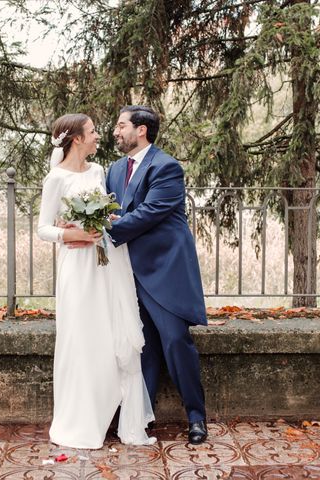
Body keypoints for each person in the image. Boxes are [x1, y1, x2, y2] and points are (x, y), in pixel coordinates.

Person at [37, 113, 156, 449]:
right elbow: (43, 228)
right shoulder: (56, 179)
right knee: (80, 336)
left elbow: (104, 213)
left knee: (105, 335)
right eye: (91, 132)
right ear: (76, 138)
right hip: (76, 265)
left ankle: (108, 413)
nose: (97, 136)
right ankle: (79, 420)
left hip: (104, 263)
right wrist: (71, 233)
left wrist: (107, 219)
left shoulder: (98, 171)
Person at [106, 105, 208, 444]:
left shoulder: (166, 167)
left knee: (176, 342)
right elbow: (108, 205)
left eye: (121, 126)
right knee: (141, 348)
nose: (116, 132)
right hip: (127, 272)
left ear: (142, 131)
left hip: (164, 271)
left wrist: (106, 229)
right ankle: (139, 417)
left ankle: (196, 416)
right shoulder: (115, 169)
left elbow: (150, 212)